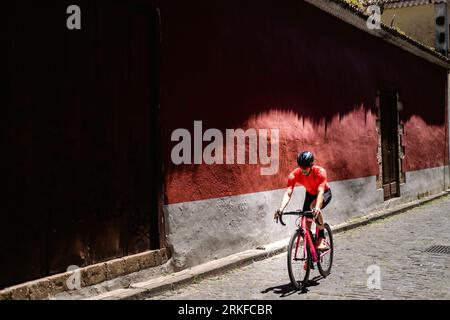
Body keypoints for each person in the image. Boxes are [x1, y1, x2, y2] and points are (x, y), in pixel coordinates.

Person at [274, 151, 332, 251]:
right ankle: (310, 255)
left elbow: (320, 190)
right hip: (310, 194)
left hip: (324, 193)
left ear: (311, 165)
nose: (303, 170)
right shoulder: (294, 175)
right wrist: (281, 208)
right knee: (306, 227)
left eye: (305, 167)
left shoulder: (320, 172)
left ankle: (321, 237)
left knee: (314, 208)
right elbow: (288, 192)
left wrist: (318, 207)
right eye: (301, 167)